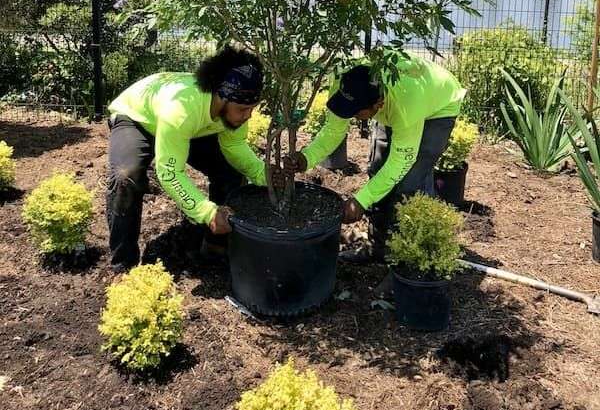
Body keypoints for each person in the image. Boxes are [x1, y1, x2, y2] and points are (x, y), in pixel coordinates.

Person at [105, 46, 276, 272]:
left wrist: (264, 175)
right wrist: (207, 212)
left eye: (252, 109)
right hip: (138, 118)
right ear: (221, 97)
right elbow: (169, 172)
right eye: (243, 109)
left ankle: (215, 247)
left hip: (189, 128)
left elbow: (233, 146)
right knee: (126, 177)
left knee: (230, 171)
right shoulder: (182, 110)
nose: (248, 116)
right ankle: (123, 264)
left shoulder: (229, 109)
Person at [285, 51, 466, 264]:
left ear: (378, 103)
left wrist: (361, 200)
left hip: (437, 106)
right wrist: (307, 157)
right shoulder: (347, 79)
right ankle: (376, 247)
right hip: (395, 102)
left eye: (356, 112)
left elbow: (401, 162)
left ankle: (405, 263)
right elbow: (334, 129)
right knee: (378, 169)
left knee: (410, 183)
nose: (350, 115)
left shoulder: (407, 103)